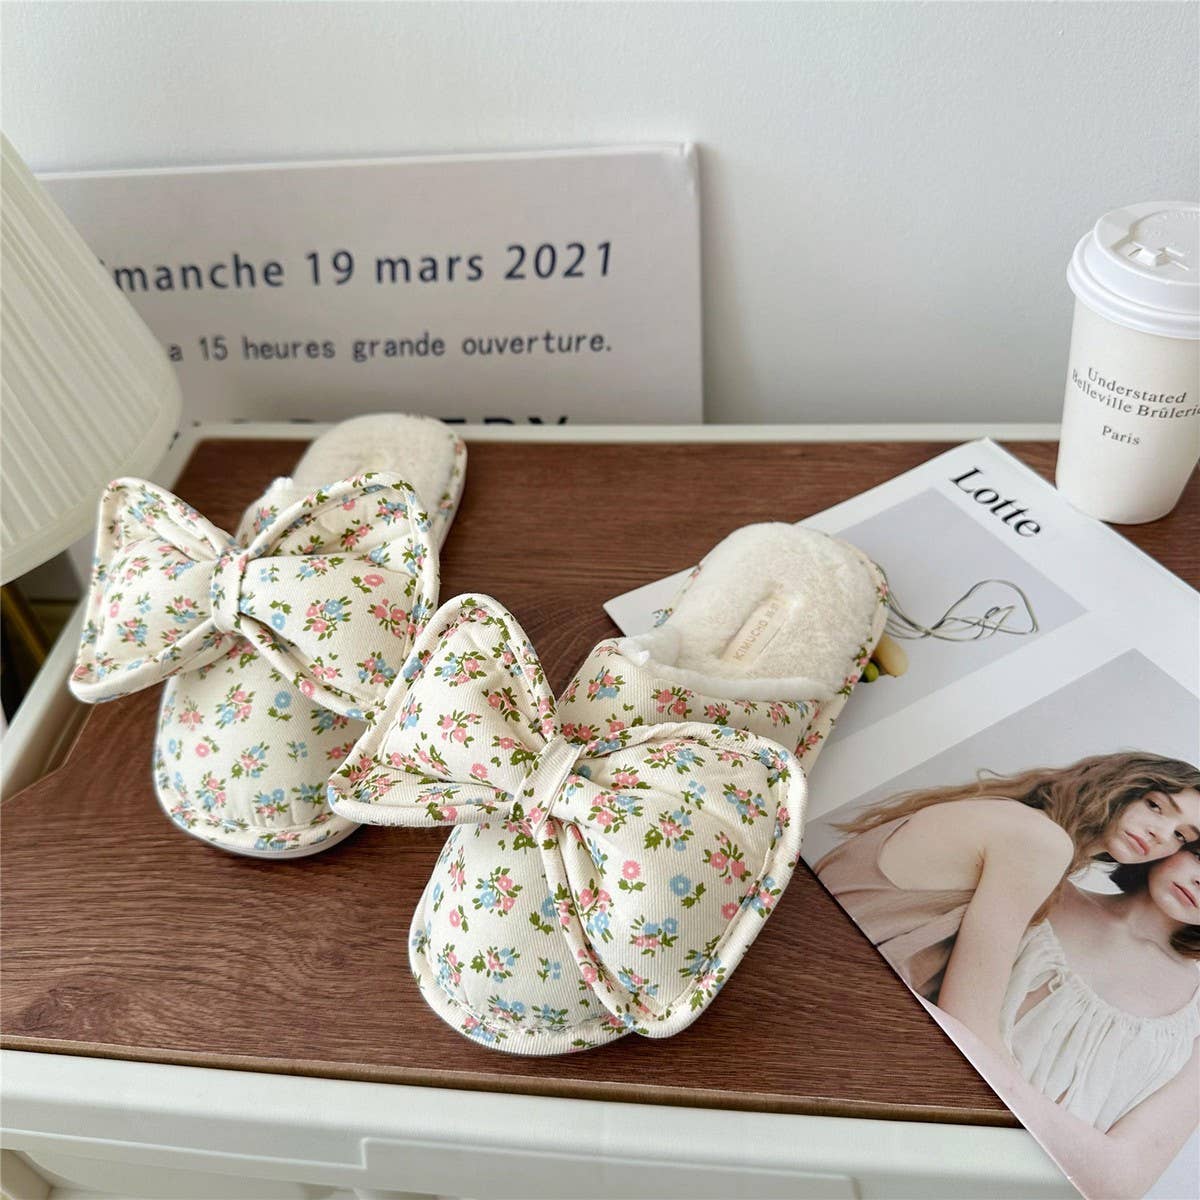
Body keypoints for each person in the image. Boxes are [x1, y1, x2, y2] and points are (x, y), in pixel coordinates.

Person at [813, 752, 1200, 1056]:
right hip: (825, 996)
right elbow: (968, 1018)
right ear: (1121, 785)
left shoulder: (1023, 820)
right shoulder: (1041, 842)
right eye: (1155, 806)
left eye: (1181, 836)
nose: (1161, 834)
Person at [944, 846, 1200, 1199]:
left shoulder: (1194, 1016)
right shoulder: (1044, 894)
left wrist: (982, 1060)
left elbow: (1119, 1180)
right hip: (915, 1138)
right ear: (1177, 841)